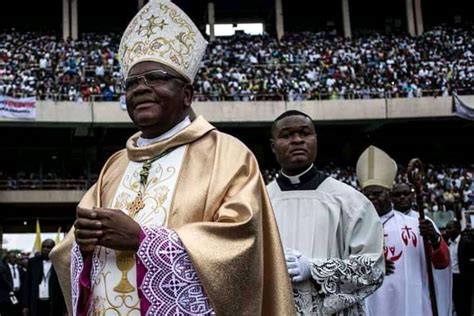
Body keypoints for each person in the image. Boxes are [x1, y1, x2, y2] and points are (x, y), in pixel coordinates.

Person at [49, 1, 294, 315]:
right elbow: (69, 248)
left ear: (188, 95)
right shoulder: (116, 164)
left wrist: (142, 239)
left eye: (155, 77)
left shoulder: (228, 155)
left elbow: (241, 241)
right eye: (132, 83)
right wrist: (81, 242)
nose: (141, 88)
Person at [266, 110, 385, 315]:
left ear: (316, 140)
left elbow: (373, 268)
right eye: (286, 135)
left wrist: (314, 269)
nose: (297, 140)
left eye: (305, 133)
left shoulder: (351, 202)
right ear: (273, 146)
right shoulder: (258, 201)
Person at [357, 146, 451, 316]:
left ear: (388, 194)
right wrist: (370, 266)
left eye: (377, 193)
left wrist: (435, 240)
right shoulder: (355, 228)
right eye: (367, 195)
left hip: (410, 301)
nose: (372, 199)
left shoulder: (415, 224)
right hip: (372, 301)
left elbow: (441, 263)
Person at [392, 182, 453, 314]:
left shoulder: (425, 221)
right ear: (391, 197)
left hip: (421, 284)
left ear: (413, 196)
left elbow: (442, 261)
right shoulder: (384, 222)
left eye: (406, 193)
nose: (402, 197)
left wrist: (434, 238)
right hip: (394, 287)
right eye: (397, 194)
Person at [23, 239, 66, 316]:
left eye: (49, 247)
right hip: (36, 302)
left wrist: (65, 308)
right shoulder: (33, 262)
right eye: (43, 247)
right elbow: (27, 284)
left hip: (53, 303)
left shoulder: (59, 262)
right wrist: (25, 305)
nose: (45, 249)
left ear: (53, 248)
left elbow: (64, 286)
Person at [0, 251, 24, 315]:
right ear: (7, 258)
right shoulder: (3, 269)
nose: (12, 259)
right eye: (10, 257)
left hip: (18, 295)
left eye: (14, 257)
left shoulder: (20, 269)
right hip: (7, 296)